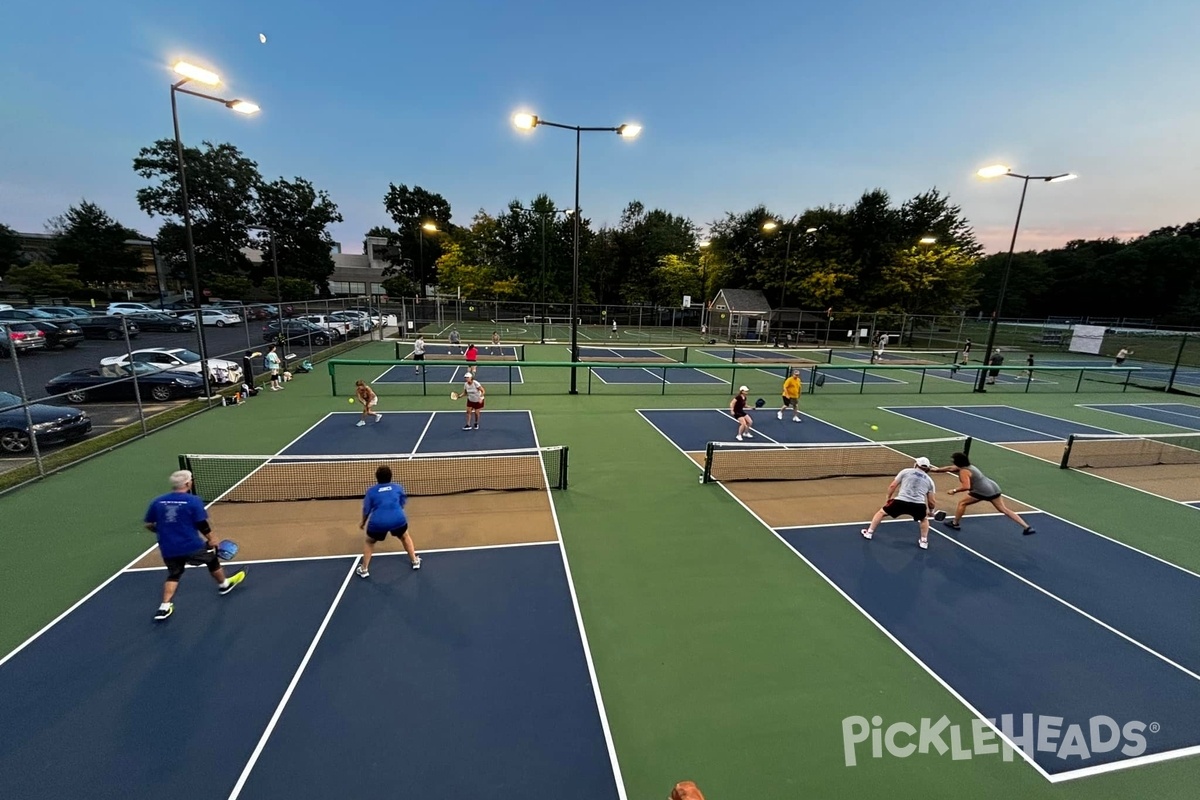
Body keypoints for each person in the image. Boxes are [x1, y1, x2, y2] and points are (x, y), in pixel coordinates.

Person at [144, 470, 245, 621]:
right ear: (187, 484)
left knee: (174, 574)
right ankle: (224, 584)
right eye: (191, 479)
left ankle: (164, 607)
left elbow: (149, 524)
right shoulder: (193, 501)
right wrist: (212, 539)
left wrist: (164, 530)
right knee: (211, 560)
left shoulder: (157, 501)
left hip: (168, 547)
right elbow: (201, 523)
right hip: (190, 545)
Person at [933, 452, 1036, 535]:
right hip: (993, 488)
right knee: (1004, 509)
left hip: (982, 491)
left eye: (954, 460)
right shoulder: (968, 467)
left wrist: (954, 490)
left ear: (958, 462)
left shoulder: (964, 472)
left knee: (962, 503)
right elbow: (949, 468)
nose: (952, 462)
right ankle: (1027, 527)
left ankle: (955, 524)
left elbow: (966, 487)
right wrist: (935, 470)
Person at [860, 456, 938, 550]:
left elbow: (892, 486)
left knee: (881, 513)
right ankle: (924, 541)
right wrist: (932, 511)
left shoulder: (905, 471)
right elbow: (931, 501)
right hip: (918, 505)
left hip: (900, 501)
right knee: (924, 520)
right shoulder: (930, 481)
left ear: (916, 465)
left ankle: (869, 533)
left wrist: (888, 498)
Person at [357, 464, 421, 578]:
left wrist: (363, 522)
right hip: (398, 519)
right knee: (405, 536)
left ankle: (364, 569)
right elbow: (402, 502)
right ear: (391, 477)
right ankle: (415, 561)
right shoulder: (397, 488)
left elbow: (366, 510)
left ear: (376, 477)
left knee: (370, 542)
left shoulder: (371, 491)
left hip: (378, 523)